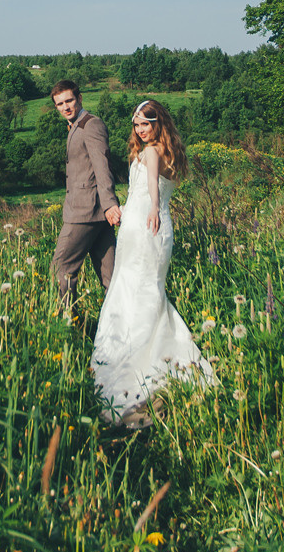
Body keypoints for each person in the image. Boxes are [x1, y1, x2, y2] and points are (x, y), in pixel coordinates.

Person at [90, 98, 214, 426]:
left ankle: (134, 367)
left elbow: (150, 190)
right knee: (149, 294)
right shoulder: (170, 151)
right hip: (156, 228)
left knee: (133, 291)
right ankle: (165, 359)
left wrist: (152, 209)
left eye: (146, 123)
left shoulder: (150, 152)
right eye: (137, 124)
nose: (141, 130)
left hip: (145, 227)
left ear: (158, 123)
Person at [51, 80, 120, 320]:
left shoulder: (91, 125)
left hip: (85, 211)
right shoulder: (76, 126)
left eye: (69, 101)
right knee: (111, 276)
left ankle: (67, 323)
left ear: (79, 99)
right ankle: (121, 328)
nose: (65, 107)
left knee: (61, 268)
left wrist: (110, 204)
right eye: (60, 104)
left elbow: (102, 166)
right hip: (95, 211)